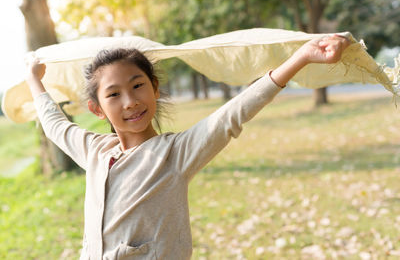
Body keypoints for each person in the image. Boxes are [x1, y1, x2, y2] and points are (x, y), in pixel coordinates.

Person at [27, 34, 350, 260]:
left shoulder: (176, 153)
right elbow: (56, 125)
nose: (130, 102)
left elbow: (232, 114)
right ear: (96, 109)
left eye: (138, 86)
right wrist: (34, 81)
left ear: (154, 89)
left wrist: (300, 58)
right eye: (113, 94)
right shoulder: (94, 151)